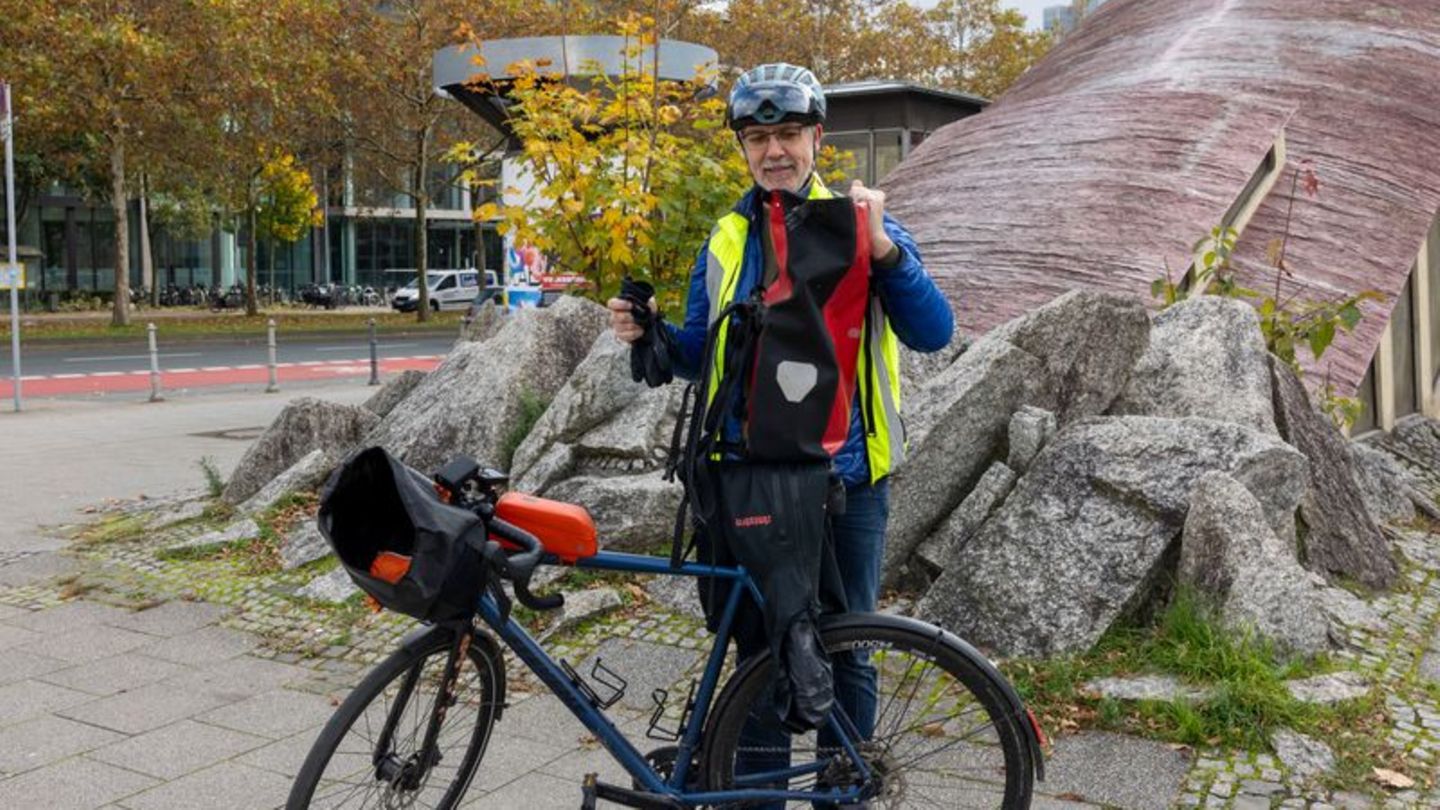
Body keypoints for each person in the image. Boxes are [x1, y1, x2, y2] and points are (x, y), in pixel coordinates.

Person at [608, 62, 953, 803]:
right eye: (758, 137)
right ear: (742, 147)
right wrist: (652, 334)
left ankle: (842, 792)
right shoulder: (728, 237)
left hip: (848, 477)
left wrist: (886, 252)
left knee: (850, 647)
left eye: (789, 134)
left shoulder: (865, 220)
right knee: (758, 649)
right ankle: (754, 793)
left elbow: (934, 331)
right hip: (753, 475)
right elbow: (708, 354)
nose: (775, 151)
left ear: (817, 138)